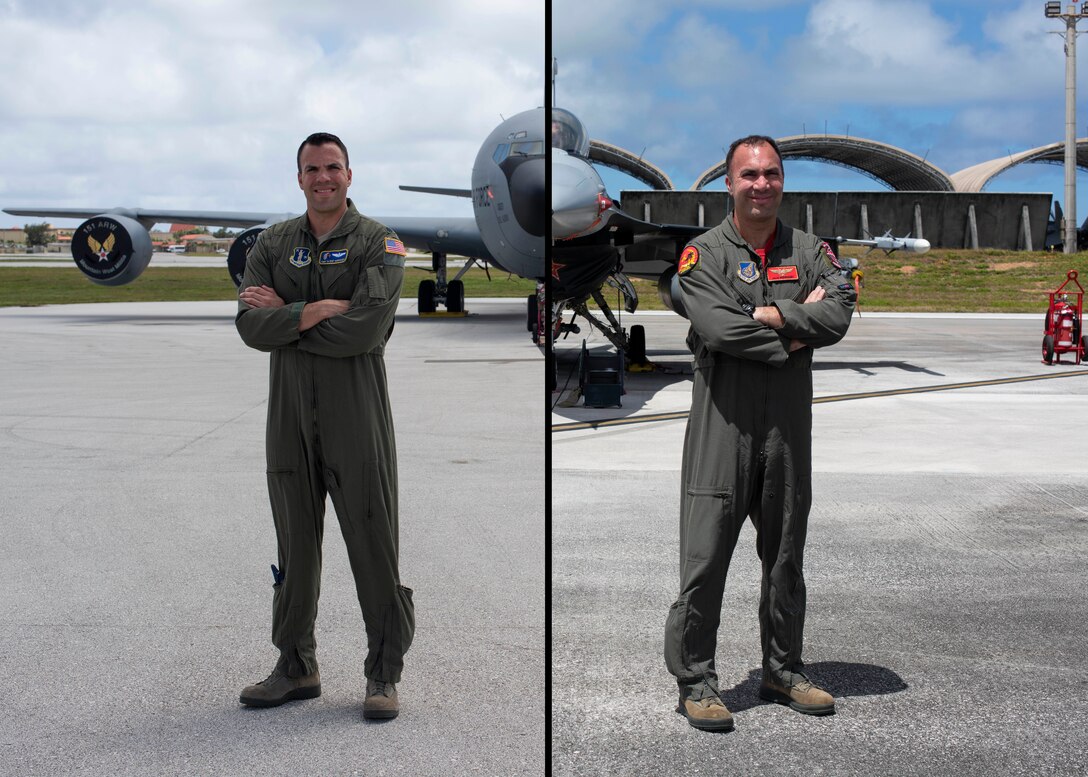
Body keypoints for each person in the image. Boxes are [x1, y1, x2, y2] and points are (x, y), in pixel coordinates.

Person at [663, 135, 856, 731]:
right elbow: (720, 330)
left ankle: (783, 669)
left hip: (787, 429)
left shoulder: (811, 249)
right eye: (749, 175)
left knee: (786, 556)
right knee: (706, 555)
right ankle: (697, 681)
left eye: (771, 174)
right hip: (724, 424)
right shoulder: (703, 254)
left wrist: (775, 315)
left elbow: (841, 308)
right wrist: (798, 332)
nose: (761, 185)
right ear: (729, 182)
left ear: (781, 181)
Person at [235, 132, 414, 720]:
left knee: (372, 541)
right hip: (287, 416)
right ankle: (295, 665)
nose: (322, 178)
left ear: (349, 174)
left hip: (355, 415)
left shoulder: (379, 243)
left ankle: (383, 674)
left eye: (331, 167)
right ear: (299, 178)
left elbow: (364, 329)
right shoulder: (273, 242)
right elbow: (248, 327)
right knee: (295, 545)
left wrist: (282, 316)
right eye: (311, 169)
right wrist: (312, 311)